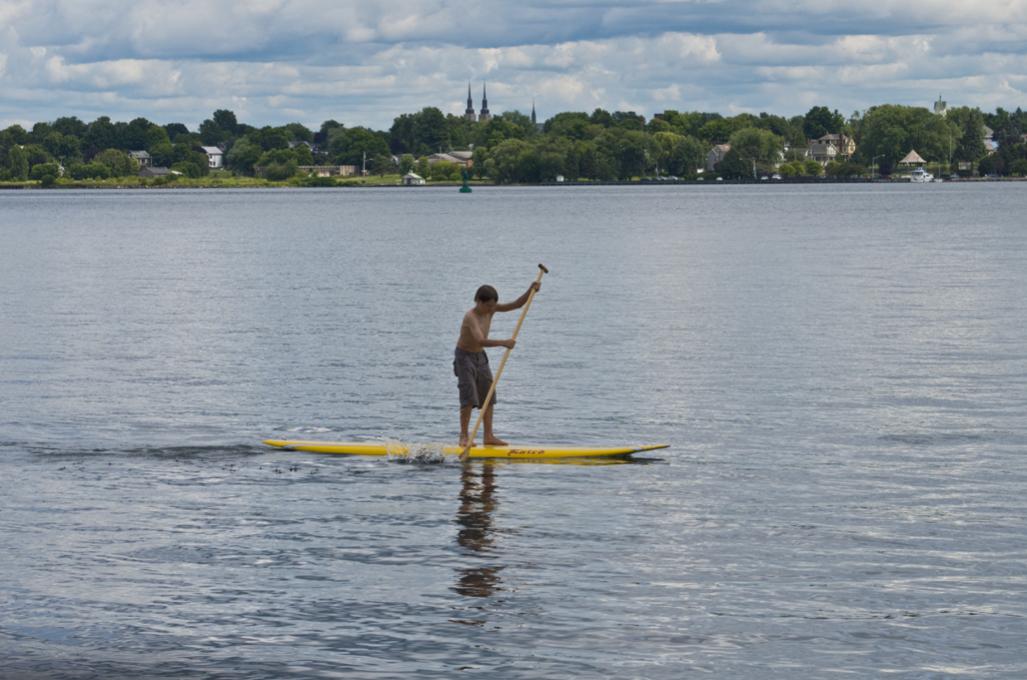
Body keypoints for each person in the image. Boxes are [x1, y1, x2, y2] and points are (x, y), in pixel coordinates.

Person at [454, 281, 540, 447]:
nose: (491, 309)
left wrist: (531, 290)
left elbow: (515, 305)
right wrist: (504, 342)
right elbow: (480, 340)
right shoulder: (470, 317)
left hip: (480, 357)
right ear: (478, 301)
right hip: (464, 358)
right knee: (469, 396)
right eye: (488, 306)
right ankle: (463, 436)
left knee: (489, 395)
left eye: (493, 306)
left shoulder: (490, 309)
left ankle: (488, 436)